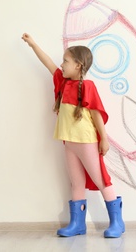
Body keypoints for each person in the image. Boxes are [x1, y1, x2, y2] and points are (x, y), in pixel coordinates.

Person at [21, 33, 125, 238]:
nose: (61, 65)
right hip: (69, 142)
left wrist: (104, 139)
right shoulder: (62, 82)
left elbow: (96, 113)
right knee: (76, 183)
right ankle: (77, 224)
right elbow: (48, 63)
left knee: (101, 179)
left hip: (86, 141)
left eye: (66, 61)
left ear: (78, 65)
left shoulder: (87, 86)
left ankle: (117, 223)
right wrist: (33, 45)